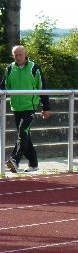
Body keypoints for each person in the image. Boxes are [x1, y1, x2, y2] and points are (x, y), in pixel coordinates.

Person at [1, 45, 51, 173]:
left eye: (20, 55)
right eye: (16, 55)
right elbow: (4, 87)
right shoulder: (10, 68)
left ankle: (14, 160)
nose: (18, 57)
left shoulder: (34, 68)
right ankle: (33, 164)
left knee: (22, 132)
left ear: (25, 54)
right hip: (16, 107)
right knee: (25, 135)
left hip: (30, 107)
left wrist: (46, 107)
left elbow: (42, 87)